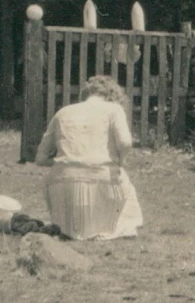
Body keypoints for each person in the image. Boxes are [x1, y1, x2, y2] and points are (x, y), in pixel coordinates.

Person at [35, 74, 143, 240]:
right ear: (112, 96)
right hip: (101, 182)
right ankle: (107, 226)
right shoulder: (114, 110)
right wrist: (120, 161)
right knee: (124, 181)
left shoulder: (62, 112)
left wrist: (66, 161)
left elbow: (40, 159)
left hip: (62, 186)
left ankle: (71, 227)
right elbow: (125, 143)